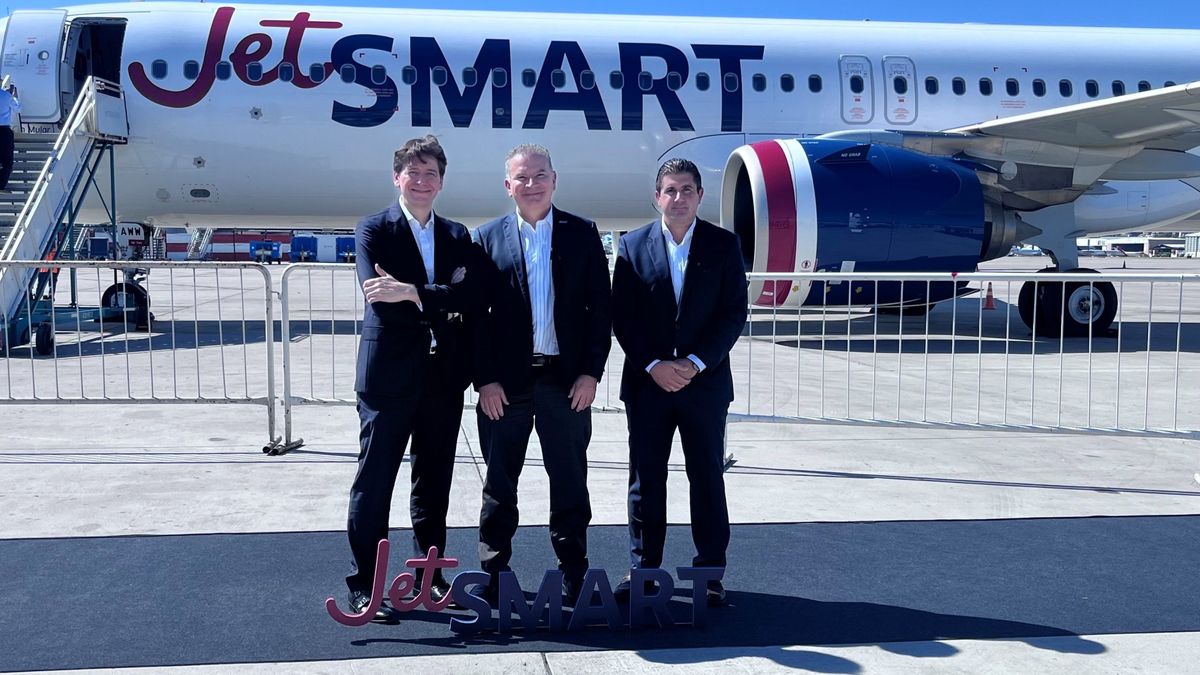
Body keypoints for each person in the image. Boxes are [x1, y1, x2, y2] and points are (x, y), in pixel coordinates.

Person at [471, 144, 611, 604]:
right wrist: (485, 379)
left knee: (569, 480)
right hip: (504, 388)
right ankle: (494, 572)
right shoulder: (486, 238)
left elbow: (599, 311)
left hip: (565, 382)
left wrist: (591, 373)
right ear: (507, 185)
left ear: (555, 179)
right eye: (522, 178)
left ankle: (573, 571)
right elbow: (476, 319)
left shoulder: (582, 233)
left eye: (540, 176)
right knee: (498, 483)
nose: (532, 185)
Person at [344, 135, 476, 622]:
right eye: (413, 173)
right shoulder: (373, 229)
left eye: (431, 174)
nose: (422, 182)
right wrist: (437, 297)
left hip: (442, 380)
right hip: (387, 380)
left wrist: (413, 291)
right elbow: (379, 297)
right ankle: (365, 584)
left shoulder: (459, 236)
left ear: (441, 182)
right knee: (374, 482)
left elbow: (469, 299)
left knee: (434, 482)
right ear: (397, 177)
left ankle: (429, 572)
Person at [610, 158, 748, 606]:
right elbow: (623, 316)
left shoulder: (724, 246)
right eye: (670, 190)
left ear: (699, 196)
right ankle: (644, 570)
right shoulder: (630, 246)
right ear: (657, 196)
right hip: (648, 386)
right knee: (645, 480)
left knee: (706, 477)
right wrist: (654, 365)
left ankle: (709, 573)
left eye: (687, 189)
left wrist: (693, 362)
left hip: (703, 386)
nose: (678, 197)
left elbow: (733, 314)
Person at [0, 84, 21, 192]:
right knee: (7, 161)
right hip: (4, 131)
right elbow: (18, 108)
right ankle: (1, 185)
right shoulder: (6, 96)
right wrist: (14, 96)